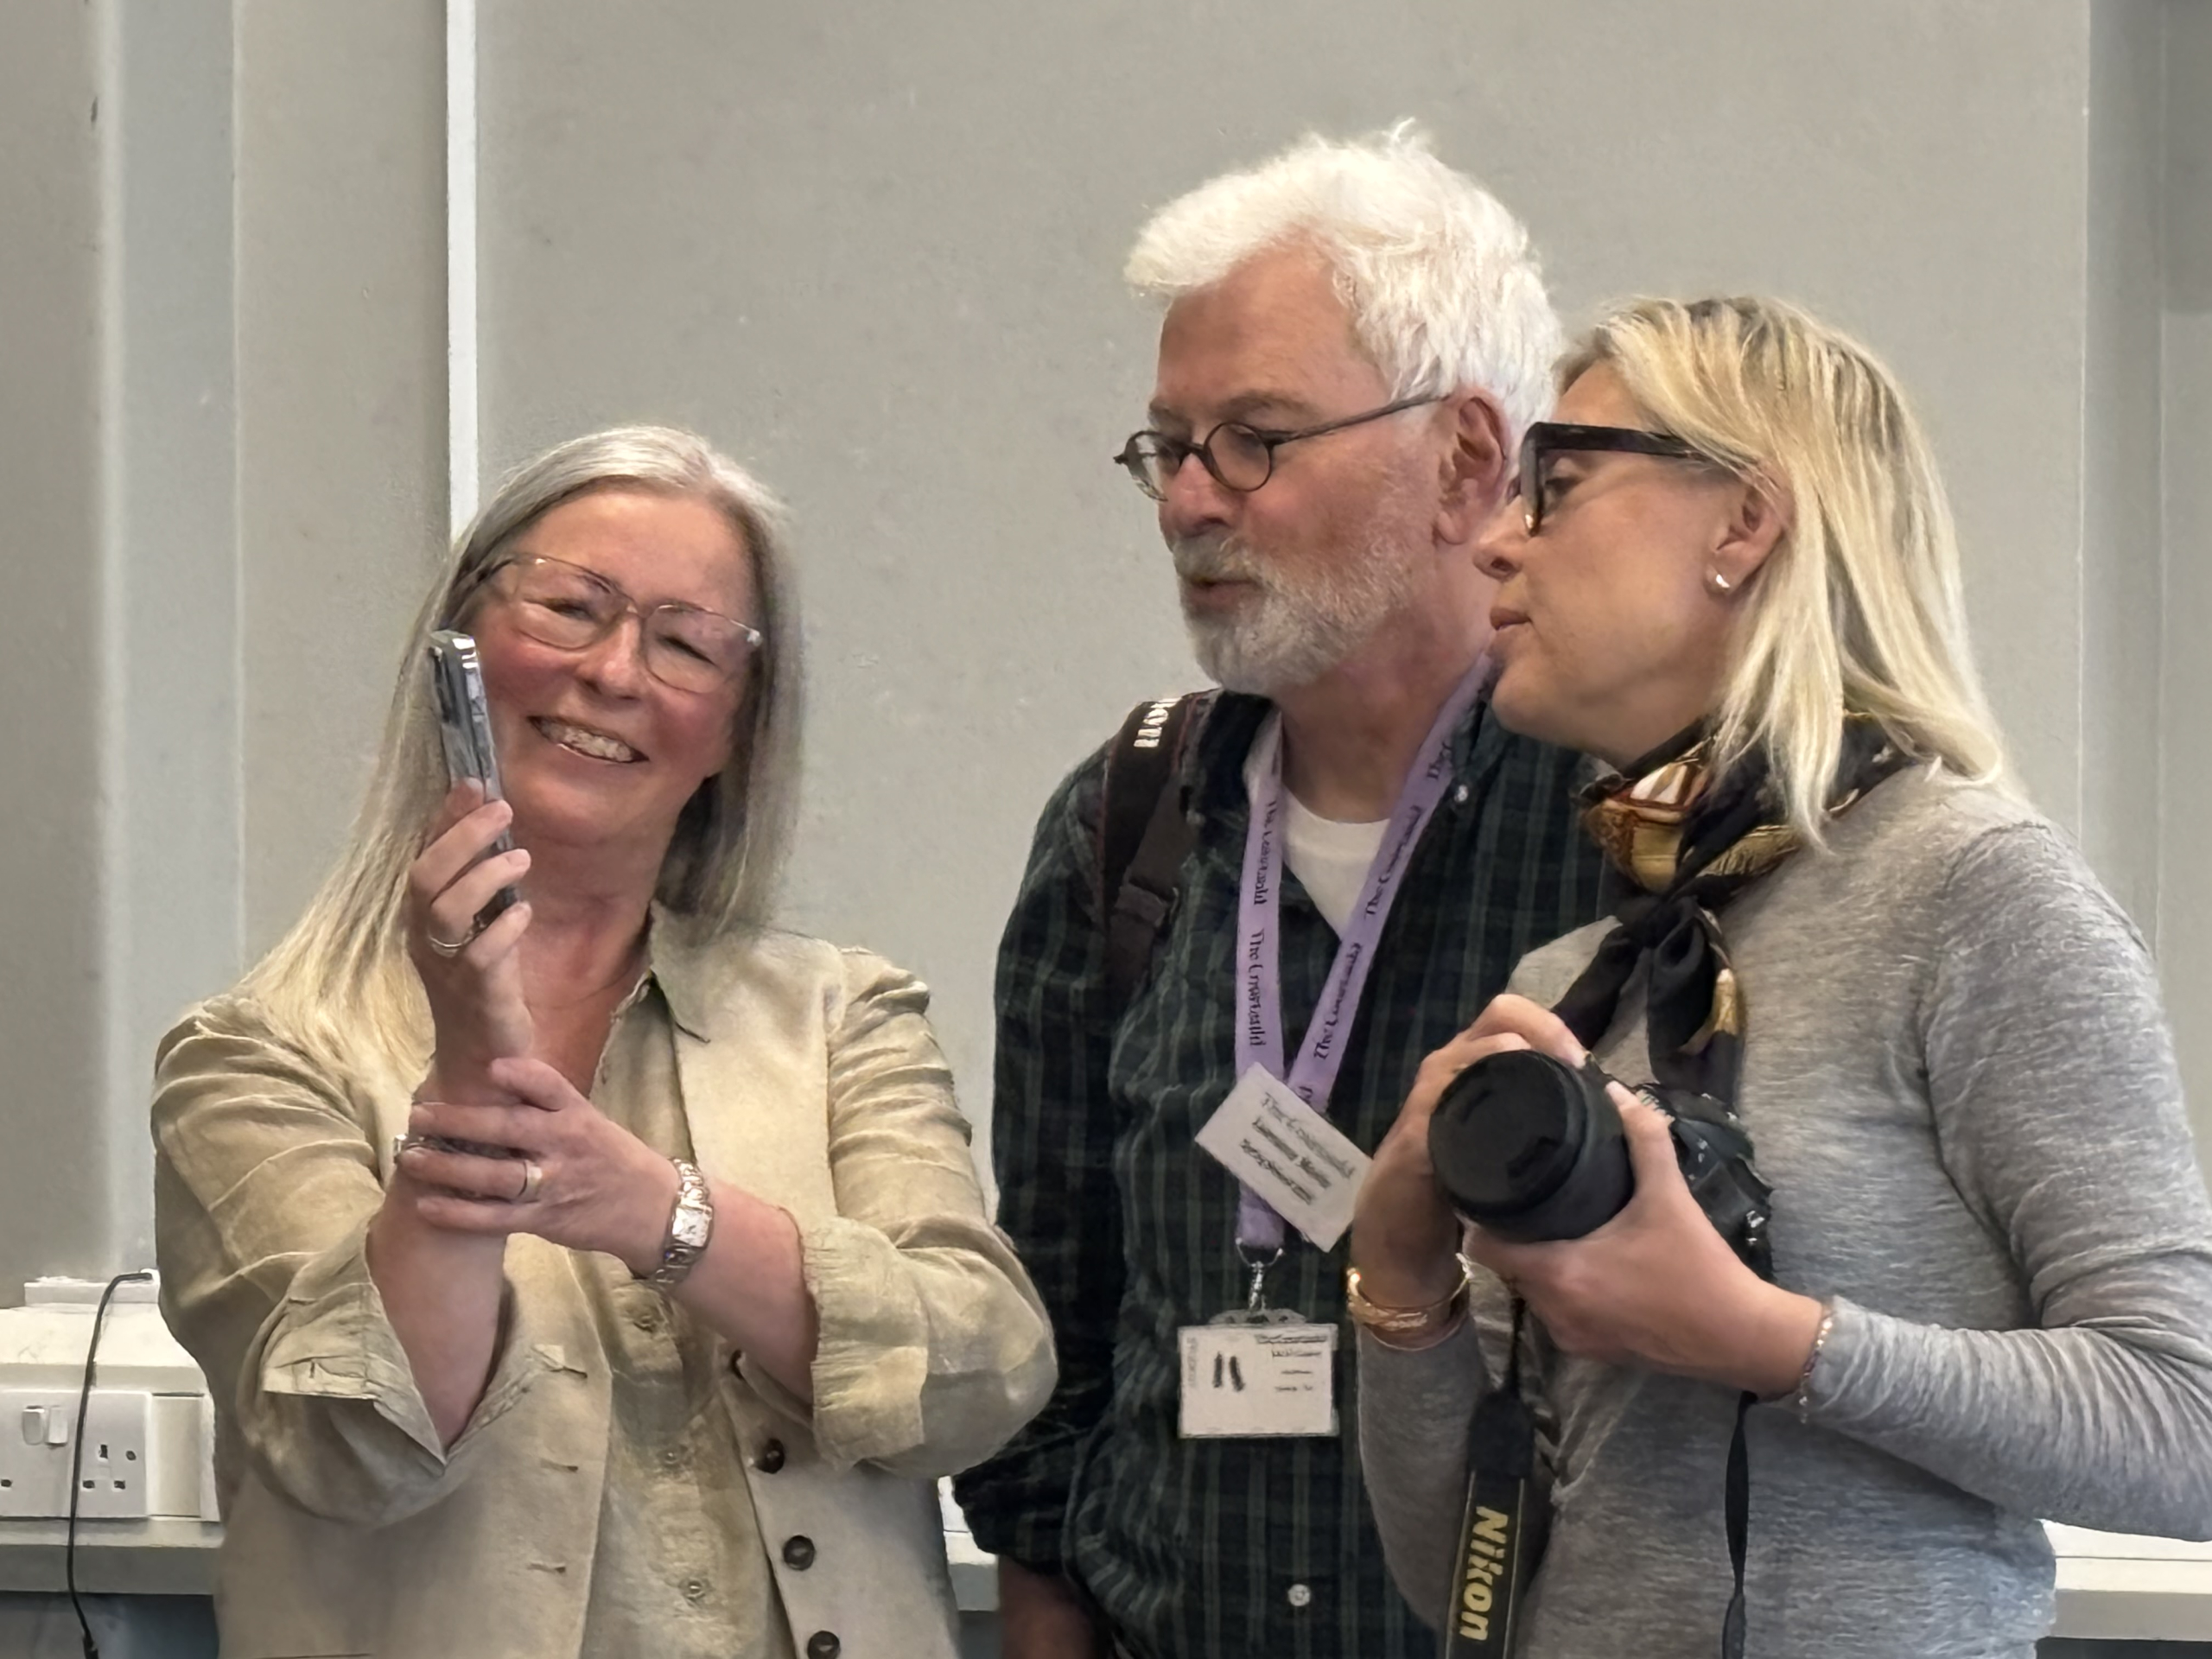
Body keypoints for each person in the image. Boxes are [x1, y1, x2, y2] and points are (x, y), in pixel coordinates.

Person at [1351, 296, 2212, 1657]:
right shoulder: (1578, 978)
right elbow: (1463, 1575)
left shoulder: (1975, 893)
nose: (1497, 540)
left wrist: (1770, 1340)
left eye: (1556, 483)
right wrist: (1401, 1283)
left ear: (1744, 522)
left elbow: (2187, 1425)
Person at [153, 426, 1055, 1659]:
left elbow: (981, 1375)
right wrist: (471, 1072)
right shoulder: (258, 1056)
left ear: (737, 730)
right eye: (572, 608)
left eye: (686, 645)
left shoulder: (843, 1015)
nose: (615, 671)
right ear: (458, 650)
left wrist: (656, 1211)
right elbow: (351, 1449)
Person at [953, 130, 1609, 1659]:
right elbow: (1051, 1316)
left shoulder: (1623, 825)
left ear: (1466, 460)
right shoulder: (1125, 821)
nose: (1188, 502)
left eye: (1253, 440)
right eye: (1167, 447)